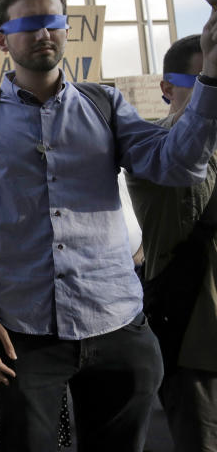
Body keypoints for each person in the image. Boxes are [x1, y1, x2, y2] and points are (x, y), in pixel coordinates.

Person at [0, 0, 217, 451]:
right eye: (28, 24)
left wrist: (211, 75)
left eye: (53, 22)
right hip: (23, 336)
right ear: (1, 39)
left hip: (117, 325)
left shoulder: (105, 105)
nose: (43, 34)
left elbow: (177, 165)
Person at [126, 32, 217, 452]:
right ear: (167, 87)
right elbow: (186, 151)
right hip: (193, 334)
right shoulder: (151, 146)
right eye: (201, 80)